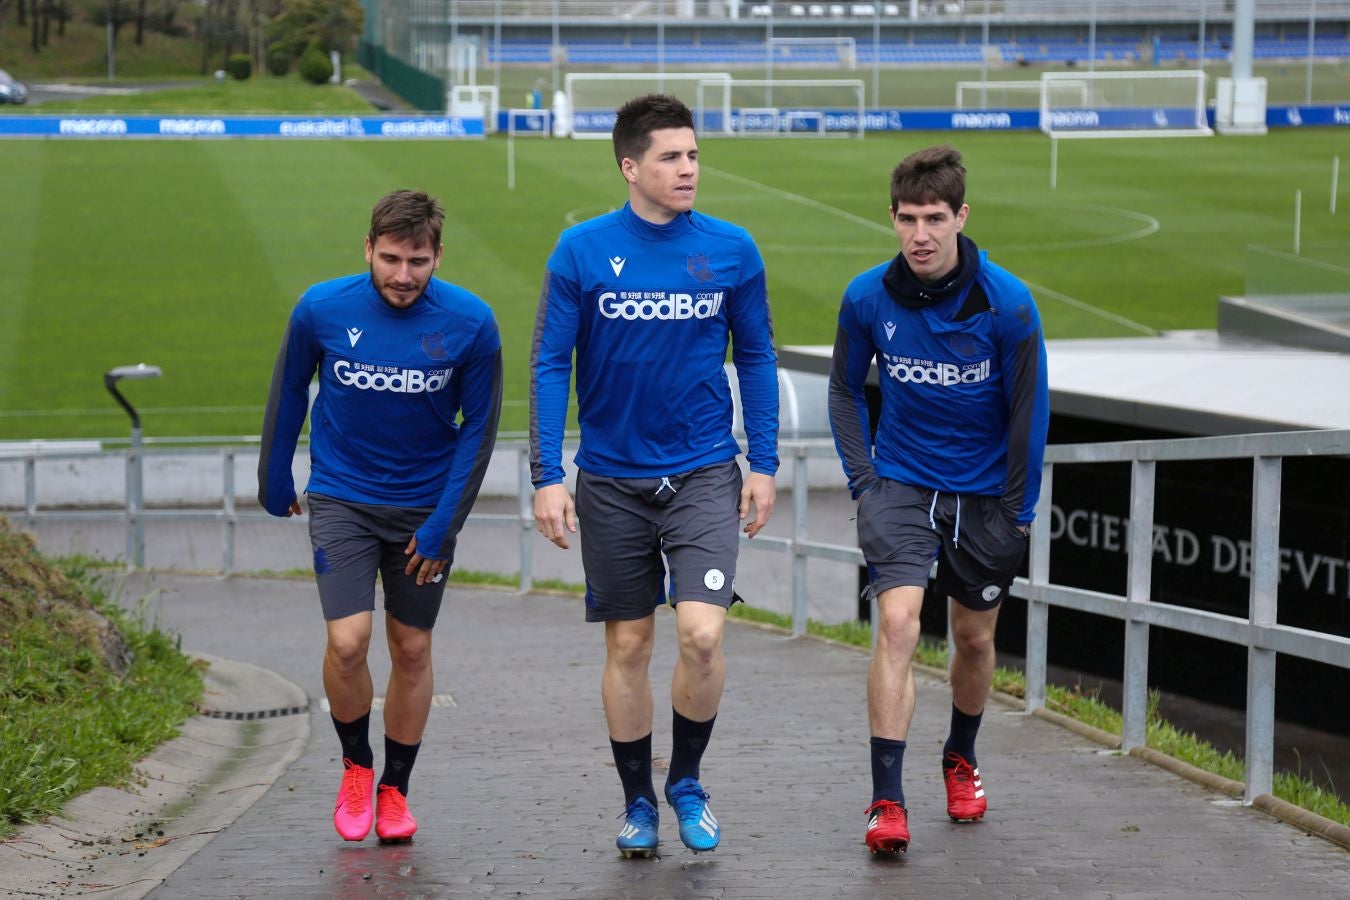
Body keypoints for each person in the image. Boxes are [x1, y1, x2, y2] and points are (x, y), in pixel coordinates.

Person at [530, 94, 779, 858]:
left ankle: (688, 782)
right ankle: (638, 800)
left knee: (701, 637)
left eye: (694, 155)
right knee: (629, 646)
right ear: (630, 165)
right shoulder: (580, 251)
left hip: (705, 472)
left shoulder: (733, 249)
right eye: (671, 157)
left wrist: (762, 463)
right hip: (610, 480)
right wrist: (547, 473)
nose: (688, 169)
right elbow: (549, 362)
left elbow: (758, 357)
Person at [257, 189, 503, 844]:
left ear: (437, 256)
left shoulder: (472, 323)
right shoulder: (321, 308)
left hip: (426, 508)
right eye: (390, 258)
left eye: (417, 261)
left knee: (412, 648)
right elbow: (288, 391)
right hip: (342, 497)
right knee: (347, 641)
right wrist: (273, 474)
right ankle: (356, 766)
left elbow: (479, 431)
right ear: (367, 249)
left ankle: (396, 788)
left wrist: (443, 522)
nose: (402, 275)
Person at [827, 145, 1049, 855]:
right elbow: (843, 389)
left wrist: (1019, 512)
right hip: (898, 484)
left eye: (934, 218)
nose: (920, 234)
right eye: (907, 219)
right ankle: (886, 801)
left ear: (961, 217)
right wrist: (863, 481)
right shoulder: (866, 296)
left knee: (975, 637)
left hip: (984, 496)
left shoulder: (1009, 305)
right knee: (897, 623)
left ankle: (960, 756)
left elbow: (1028, 413)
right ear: (891, 219)